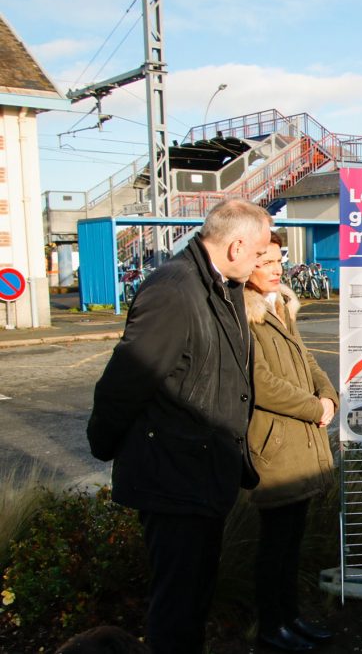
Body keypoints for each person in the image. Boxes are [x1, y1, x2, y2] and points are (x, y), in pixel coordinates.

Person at [87, 200, 273, 654]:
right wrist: (105, 444)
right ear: (235, 246)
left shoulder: (217, 285)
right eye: (261, 252)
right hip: (174, 477)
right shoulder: (174, 290)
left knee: (194, 598)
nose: (264, 261)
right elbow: (127, 382)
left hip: (200, 474)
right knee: (178, 606)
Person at [244, 232, 340, 652]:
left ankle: (290, 618)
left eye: (279, 260)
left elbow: (307, 359)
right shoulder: (240, 314)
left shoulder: (281, 304)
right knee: (275, 545)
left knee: (290, 543)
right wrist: (313, 407)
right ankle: (271, 627)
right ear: (244, 263)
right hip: (274, 444)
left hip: (299, 440)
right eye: (265, 262)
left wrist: (328, 395)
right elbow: (259, 383)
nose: (276, 269)